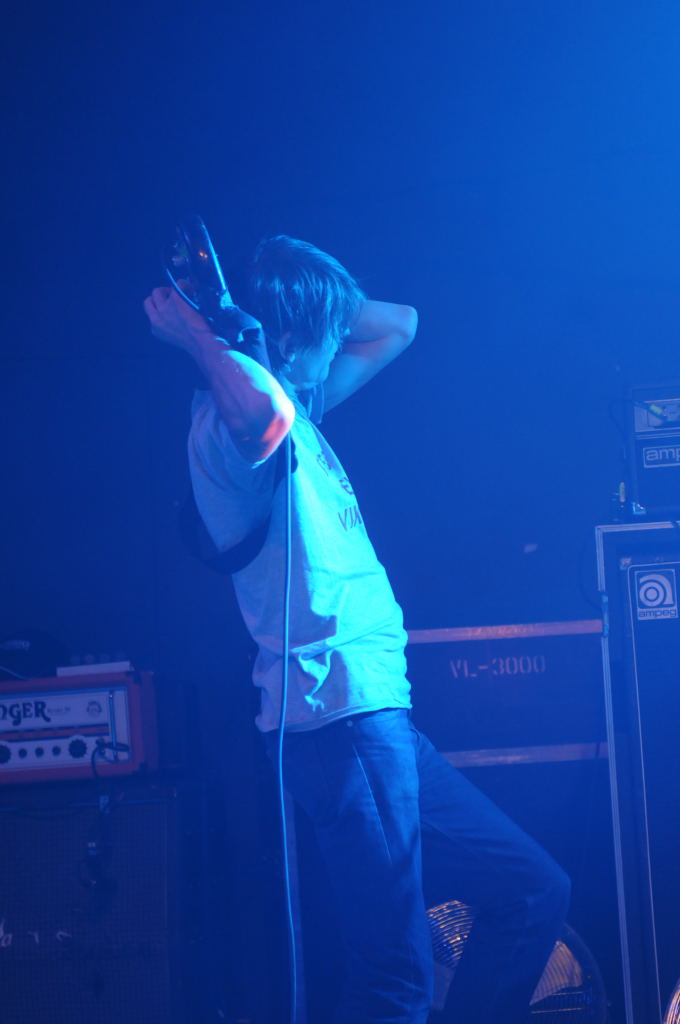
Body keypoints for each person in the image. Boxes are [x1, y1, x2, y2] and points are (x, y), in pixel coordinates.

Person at [144, 235, 570, 1024]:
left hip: (376, 720)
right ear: (289, 341)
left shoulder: (295, 401)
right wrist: (203, 333)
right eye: (326, 334)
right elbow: (262, 415)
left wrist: (289, 306)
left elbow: (399, 324)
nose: (341, 344)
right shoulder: (230, 429)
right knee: (393, 979)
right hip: (337, 719)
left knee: (531, 891)